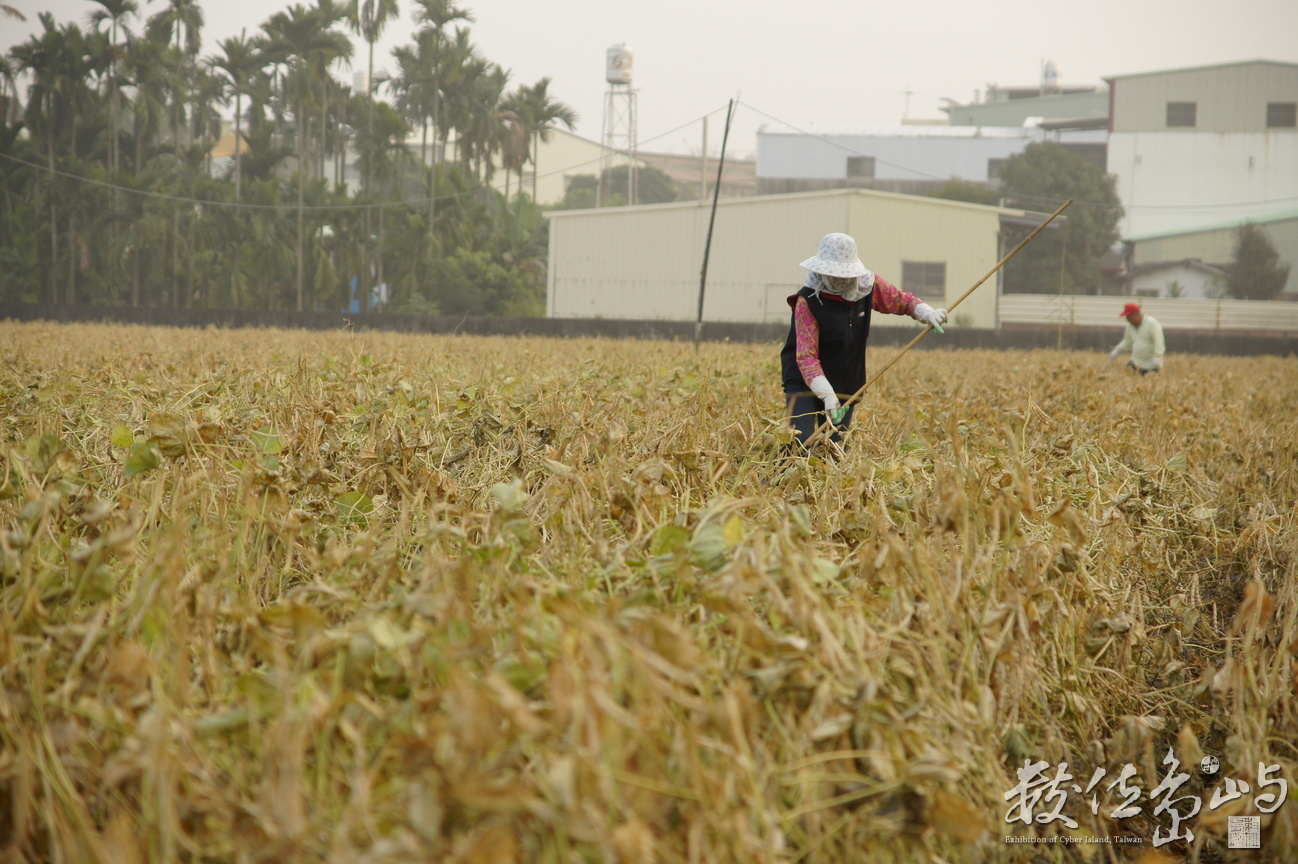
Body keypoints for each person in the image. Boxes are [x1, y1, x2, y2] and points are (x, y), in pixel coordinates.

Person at [780, 232, 948, 452]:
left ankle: (831, 485)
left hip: (846, 377)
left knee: (833, 446)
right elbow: (807, 357)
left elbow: (901, 301)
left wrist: (926, 312)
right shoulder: (808, 301)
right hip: (805, 381)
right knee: (801, 443)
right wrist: (826, 394)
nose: (839, 280)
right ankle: (781, 479)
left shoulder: (867, 285)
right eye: (833, 275)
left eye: (843, 275)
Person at [1108, 302, 1165, 375]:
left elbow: (1159, 341)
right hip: (1135, 362)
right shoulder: (1130, 326)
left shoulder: (1152, 324)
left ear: (1135, 315)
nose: (1127, 319)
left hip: (1150, 365)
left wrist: (1157, 356)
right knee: (1124, 376)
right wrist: (1117, 350)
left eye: (1128, 317)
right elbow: (1127, 342)